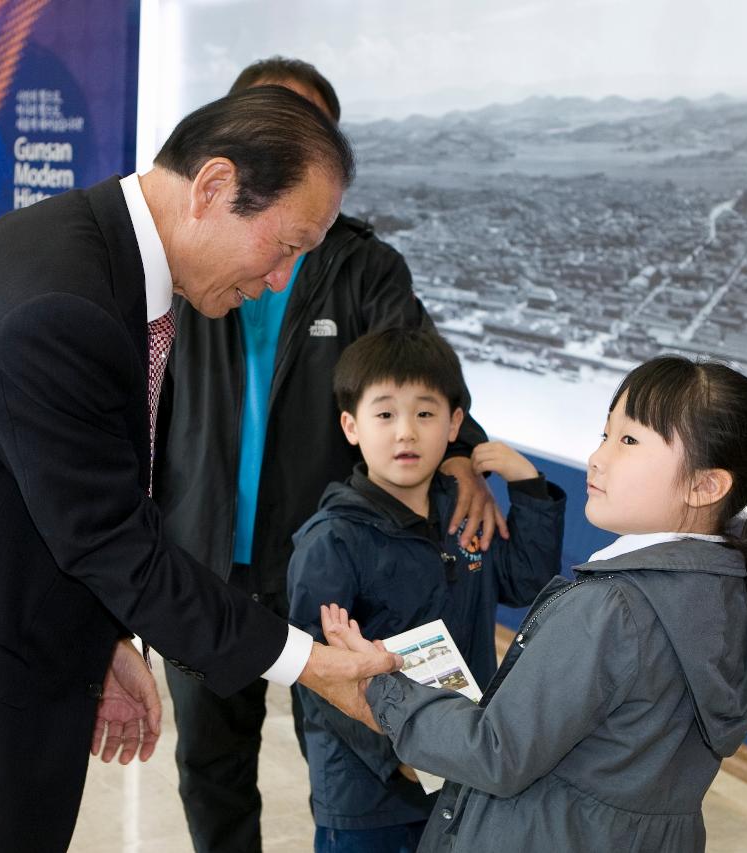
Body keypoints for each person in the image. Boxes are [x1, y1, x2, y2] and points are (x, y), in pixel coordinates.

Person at [0, 87, 400, 853]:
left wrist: (104, 639)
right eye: (286, 245)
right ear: (214, 188)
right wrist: (310, 663)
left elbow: (63, 497)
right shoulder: (62, 303)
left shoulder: (104, 260)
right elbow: (111, 542)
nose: (283, 279)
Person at [155, 56, 503, 853]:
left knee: (348, 760)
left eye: (302, 129)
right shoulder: (184, 262)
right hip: (202, 556)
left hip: (327, 568)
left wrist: (463, 455)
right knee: (210, 760)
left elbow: (415, 368)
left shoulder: (362, 264)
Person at [324, 355, 747, 852]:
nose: (598, 457)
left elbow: (494, 752)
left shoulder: (612, 610)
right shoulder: (733, 590)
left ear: (705, 485)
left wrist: (380, 686)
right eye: (606, 435)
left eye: (629, 441)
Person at [286, 328, 567, 853]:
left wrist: (529, 489)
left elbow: (524, 582)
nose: (406, 434)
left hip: (464, 770)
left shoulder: (465, 513)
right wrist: (397, 756)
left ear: (455, 423)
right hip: (371, 796)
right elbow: (315, 672)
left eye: (425, 413)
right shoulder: (332, 540)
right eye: (385, 414)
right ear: (350, 425)